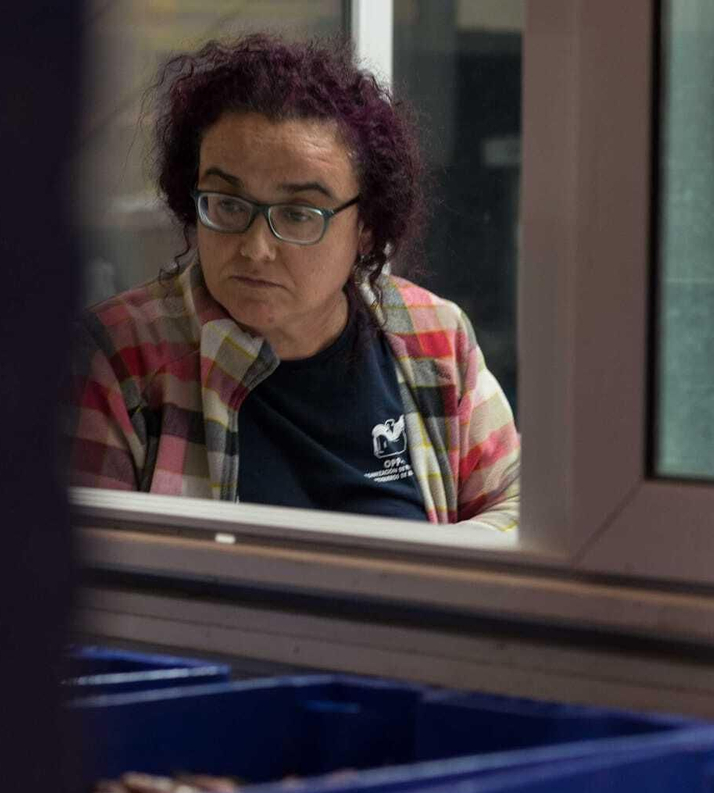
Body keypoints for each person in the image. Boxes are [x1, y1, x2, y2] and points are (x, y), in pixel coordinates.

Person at [67, 34, 519, 531]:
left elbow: (517, 508)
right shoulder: (118, 358)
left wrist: (435, 577)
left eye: (299, 214)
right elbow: (92, 577)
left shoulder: (435, 337)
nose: (256, 247)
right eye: (228, 204)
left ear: (365, 227)